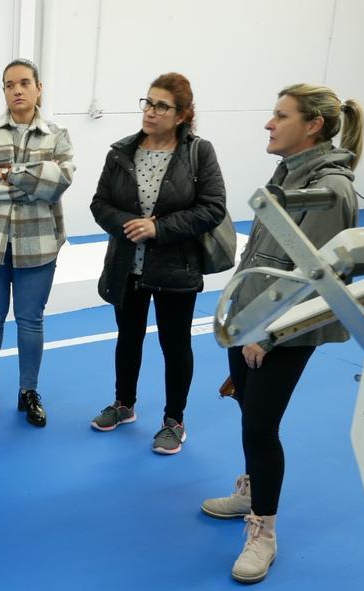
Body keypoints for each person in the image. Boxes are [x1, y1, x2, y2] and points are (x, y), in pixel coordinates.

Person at [201, 84, 364, 584]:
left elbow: (316, 280)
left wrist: (267, 336)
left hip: (281, 332)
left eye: (280, 116)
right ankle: (251, 490)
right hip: (251, 321)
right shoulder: (291, 172)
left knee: (260, 427)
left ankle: (264, 533)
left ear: (312, 125)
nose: (269, 124)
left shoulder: (330, 190)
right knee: (250, 412)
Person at [89, 72, 226, 454]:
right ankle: (124, 405)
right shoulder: (121, 152)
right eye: (147, 103)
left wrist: (158, 228)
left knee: (175, 344)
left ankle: (173, 420)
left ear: (182, 114)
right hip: (126, 265)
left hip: (176, 266)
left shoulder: (199, 153)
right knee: (127, 338)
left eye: (161, 106)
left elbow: (213, 208)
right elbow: (100, 204)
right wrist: (127, 226)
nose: (150, 112)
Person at [0, 59, 74, 427]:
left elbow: (59, 180)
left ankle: (29, 391)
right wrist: (32, 184)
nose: (17, 90)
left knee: (31, 321)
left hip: (39, 244)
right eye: (9, 84)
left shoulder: (58, 135)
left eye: (25, 82)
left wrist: (8, 173)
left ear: (39, 87)